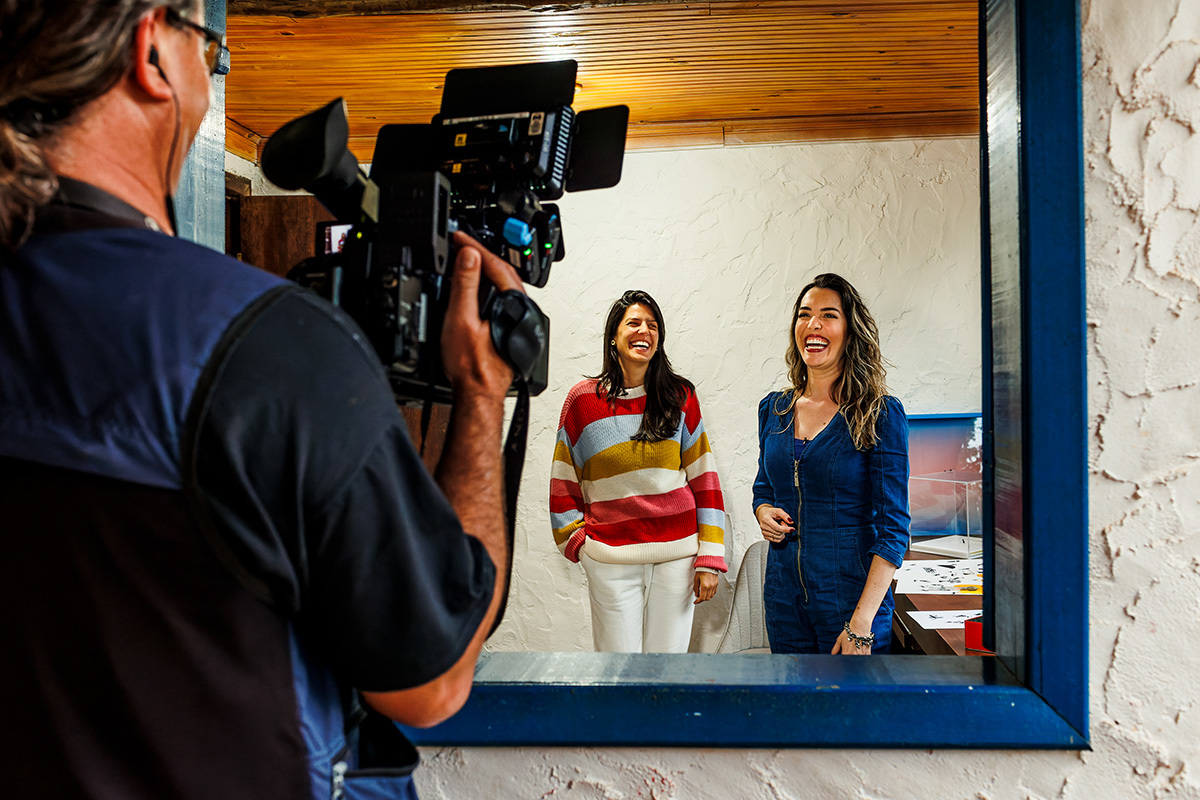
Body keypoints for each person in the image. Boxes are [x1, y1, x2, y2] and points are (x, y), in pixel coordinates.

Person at [0, 2, 521, 798]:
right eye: (208, 50)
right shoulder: (263, 345)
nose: (210, 78)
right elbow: (431, 682)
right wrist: (482, 394)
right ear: (150, 50)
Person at [550, 290, 728, 653]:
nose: (644, 331)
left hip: (677, 557)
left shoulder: (680, 396)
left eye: (652, 325)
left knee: (667, 670)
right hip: (610, 559)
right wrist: (577, 543)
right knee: (617, 671)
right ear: (613, 336)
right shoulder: (583, 401)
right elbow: (562, 478)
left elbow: (704, 477)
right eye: (633, 323)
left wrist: (710, 556)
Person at [752, 273, 910, 655]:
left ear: (850, 332)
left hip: (851, 605)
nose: (814, 324)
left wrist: (861, 623)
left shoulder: (878, 414)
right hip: (784, 601)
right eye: (805, 314)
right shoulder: (774, 409)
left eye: (828, 315)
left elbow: (894, 529)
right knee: (792, 696)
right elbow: (764, 487)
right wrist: (763, 510)